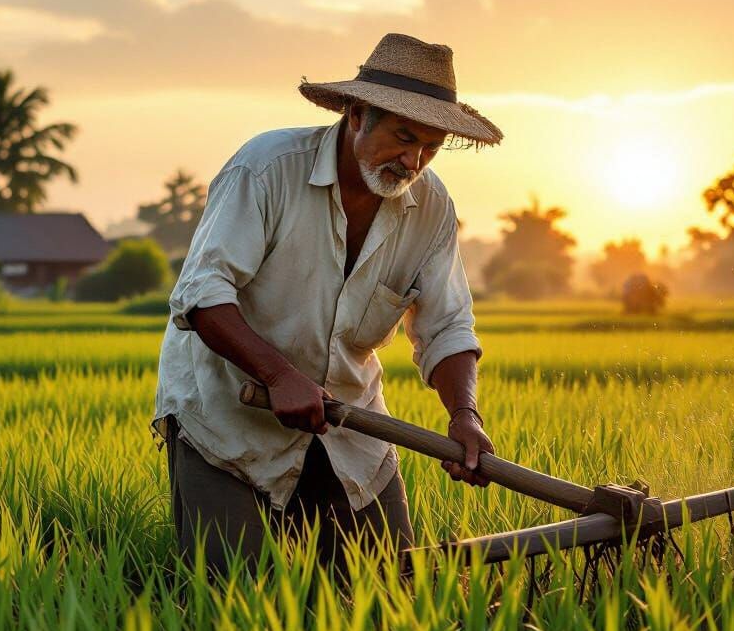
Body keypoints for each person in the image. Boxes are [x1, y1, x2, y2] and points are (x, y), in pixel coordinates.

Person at [152, 32, 504, 579]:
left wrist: (464, 415)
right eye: (403, 136)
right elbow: (201, 296)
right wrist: (279, 374)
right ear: (357, 114)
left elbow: (447, 324)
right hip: (229, 421)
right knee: (230, 601)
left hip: (350, 428)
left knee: (385, 593)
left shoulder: (431, 207)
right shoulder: (267, 169)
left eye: (431, 146)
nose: (413, 160)